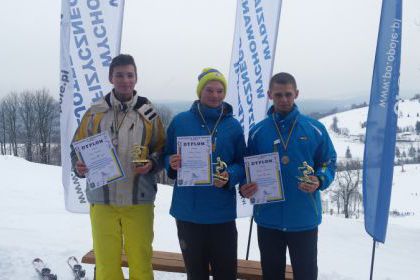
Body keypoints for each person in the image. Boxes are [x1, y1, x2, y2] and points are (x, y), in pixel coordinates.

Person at [71, 54, 165, 280]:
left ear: (136, 77)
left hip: (138, 200)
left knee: (141, 264)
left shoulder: (148, 112)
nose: (125, 80)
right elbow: (77, 148)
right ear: (111, 77)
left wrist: (152, 163)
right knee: (106, 266)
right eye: (120, 75)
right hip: (103, 201)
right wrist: (79, 166)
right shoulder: (95, 113)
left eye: (130, 75)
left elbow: (162, 148)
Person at [240, 72, 336, 280]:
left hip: (303, 217)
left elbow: (329, 162)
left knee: (306, 274)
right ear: (269, 95)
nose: (283, 99)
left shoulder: (314, 128)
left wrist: (319, 179)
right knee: (272, 274)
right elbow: (246, 168)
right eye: (278, 95)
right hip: (268, 218)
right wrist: (244, 187)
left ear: (296, 94)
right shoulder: (258, 131)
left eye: (288, 94)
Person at [164, 68, 245, 280]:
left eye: (220, 90)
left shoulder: (233, 126)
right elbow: (165, 154)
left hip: (222, 214)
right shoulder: (180, 121)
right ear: (200, 91)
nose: (215, 95)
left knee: (226, 273)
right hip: (188, 213)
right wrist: (171, 162)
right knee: (195, 274)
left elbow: (242, 163)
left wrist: (230, 175)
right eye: (209, 89)